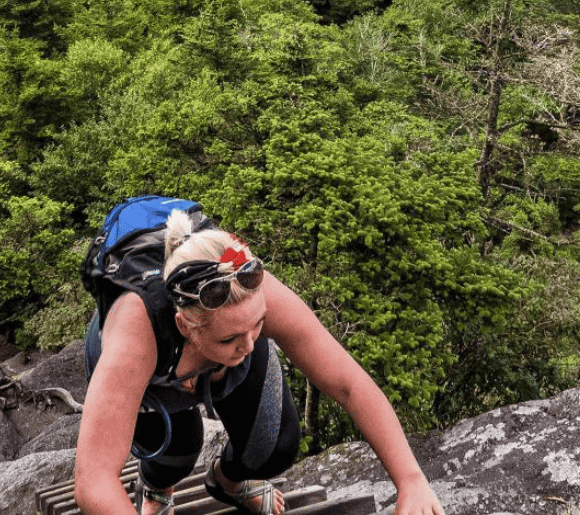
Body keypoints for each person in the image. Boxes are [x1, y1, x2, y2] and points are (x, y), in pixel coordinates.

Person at [73, 208, 445, 515]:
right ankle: (157, 489)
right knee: (177, 452)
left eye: (259, 326)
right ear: (186, 325)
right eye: (231, 338)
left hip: (208, 347)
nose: (249, 346)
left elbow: (350, 385)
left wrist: (411, 480)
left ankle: (227, 481)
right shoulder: (136, 337)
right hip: (154, 376)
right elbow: (94, 481)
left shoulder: (245, 287)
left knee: (275, 445)